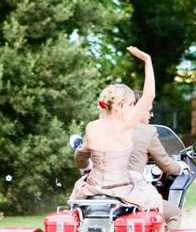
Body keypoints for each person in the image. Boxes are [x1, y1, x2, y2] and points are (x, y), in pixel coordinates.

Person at [75, 90, 187, 230]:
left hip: (95, 191)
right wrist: (181, 167)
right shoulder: (147, 132)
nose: (151, 115)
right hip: (129, 192)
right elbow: (167, 165)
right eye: (148, 110)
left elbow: (80, 156)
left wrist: (86, 166)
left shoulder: (100, 128)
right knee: (174, 213)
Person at [69, 47, 163, 213]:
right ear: (119, 106)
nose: (133, 108)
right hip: (121, 189)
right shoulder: (125, 125)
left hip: (93, 188)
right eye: (131, 104)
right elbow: (149, 95)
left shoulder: (92, 126)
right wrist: (147, 61)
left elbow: (82, 156)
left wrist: (84, 165)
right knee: (156, 204)